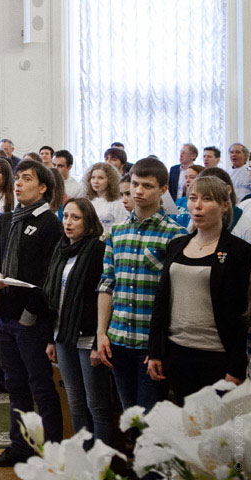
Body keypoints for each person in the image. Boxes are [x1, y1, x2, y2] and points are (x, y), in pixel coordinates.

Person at [0, 160, 64, 468]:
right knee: (14, 384)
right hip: (5, 313)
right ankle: (20, 446)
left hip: (32, 317)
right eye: (18, 178)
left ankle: (53, 451)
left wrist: (31, 313)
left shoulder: (50, 224)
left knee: (40, 385)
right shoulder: (6, 220)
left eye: (26, 179)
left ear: (42, 188)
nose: (18, 183)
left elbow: (49, 276)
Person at [94, 157, 187, 413]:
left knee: (149, 425)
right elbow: (107, 284)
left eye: (147, 186)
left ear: (163, 189)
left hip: (151, 344)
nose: (138, 191)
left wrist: (163, 346)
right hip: (118, 339)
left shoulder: (175, 234)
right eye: (135, 184)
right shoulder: (117, 232)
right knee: (129, 418)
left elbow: (175, 297)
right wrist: (102, 333)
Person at [148, 176, 251, 400]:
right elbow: (161, 301)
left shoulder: (239, 251)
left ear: (225, 206)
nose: (197, 205)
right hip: (176, 353)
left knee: (218, 432)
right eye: (193, 198)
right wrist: (155, 351)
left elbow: (243, 315)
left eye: (207, 199)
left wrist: (236, 367)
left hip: (217, 357)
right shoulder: (177, 245)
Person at [42, 199, 113, 449]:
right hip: (62, 334)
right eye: (66, 217)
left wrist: (97, 342)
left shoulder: (97, 249)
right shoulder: (61, 248)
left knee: (97, 404)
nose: (68, 223)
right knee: (74, 401)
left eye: (76, 218)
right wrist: (51, 338)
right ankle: (82, 457)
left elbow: (100, 299)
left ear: (88, 221)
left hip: (87, 336)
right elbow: (53, 296)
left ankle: (102, 462)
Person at [83, 162, 125, 236]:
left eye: (100, 178)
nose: (95, 181)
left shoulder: (118, 203)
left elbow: (122, 229)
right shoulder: (88, 201)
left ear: (110, 180)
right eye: (93, 177)